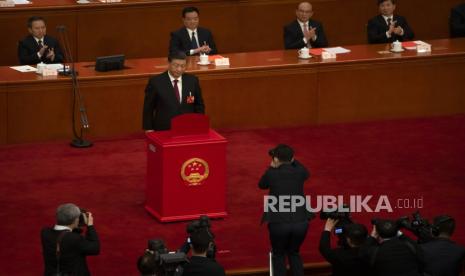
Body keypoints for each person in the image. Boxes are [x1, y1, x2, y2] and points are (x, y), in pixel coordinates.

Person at [258, 144, 313, 276]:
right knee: (294, 253)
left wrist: (272, 166)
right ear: (292, 158)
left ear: (276, 159)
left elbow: (261, 185)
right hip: (301, 222)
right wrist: (292, 160)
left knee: (278, 254)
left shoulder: (272, 173)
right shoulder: (300, 172)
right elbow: (306, 172)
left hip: (279, 223)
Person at [142, 52, 205, 131]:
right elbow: (148, 108)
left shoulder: (192, 81)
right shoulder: (156, 82)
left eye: (183, 66)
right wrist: (149, 128)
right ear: (169, 63)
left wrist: (199, 123)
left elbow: (199, 105)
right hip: (164, 128)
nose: (179, 69)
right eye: (176, 65)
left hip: (188, 127)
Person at [41, 203, 100, 276]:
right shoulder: (75, 239)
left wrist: (74, 224)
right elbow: (95, 248)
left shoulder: (45, 233)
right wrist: (90, 225)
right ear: (75, 220)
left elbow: (65, 235)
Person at [360, 219, 424, 276]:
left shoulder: (374, 252)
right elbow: (422, 258)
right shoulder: (410, 246)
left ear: (377, 233)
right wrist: (400, 234)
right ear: (397, 232)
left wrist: (372, 237)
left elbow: (362, 253)